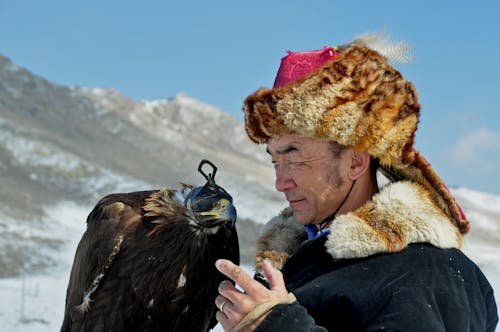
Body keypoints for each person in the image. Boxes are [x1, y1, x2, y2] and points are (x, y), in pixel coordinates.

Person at [214, 35, 498, 331]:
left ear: (355, 162)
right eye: (275, 161)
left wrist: (275, 326)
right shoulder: (304, 263)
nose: (280, 182)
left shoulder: (421, 274)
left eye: (294, 158)